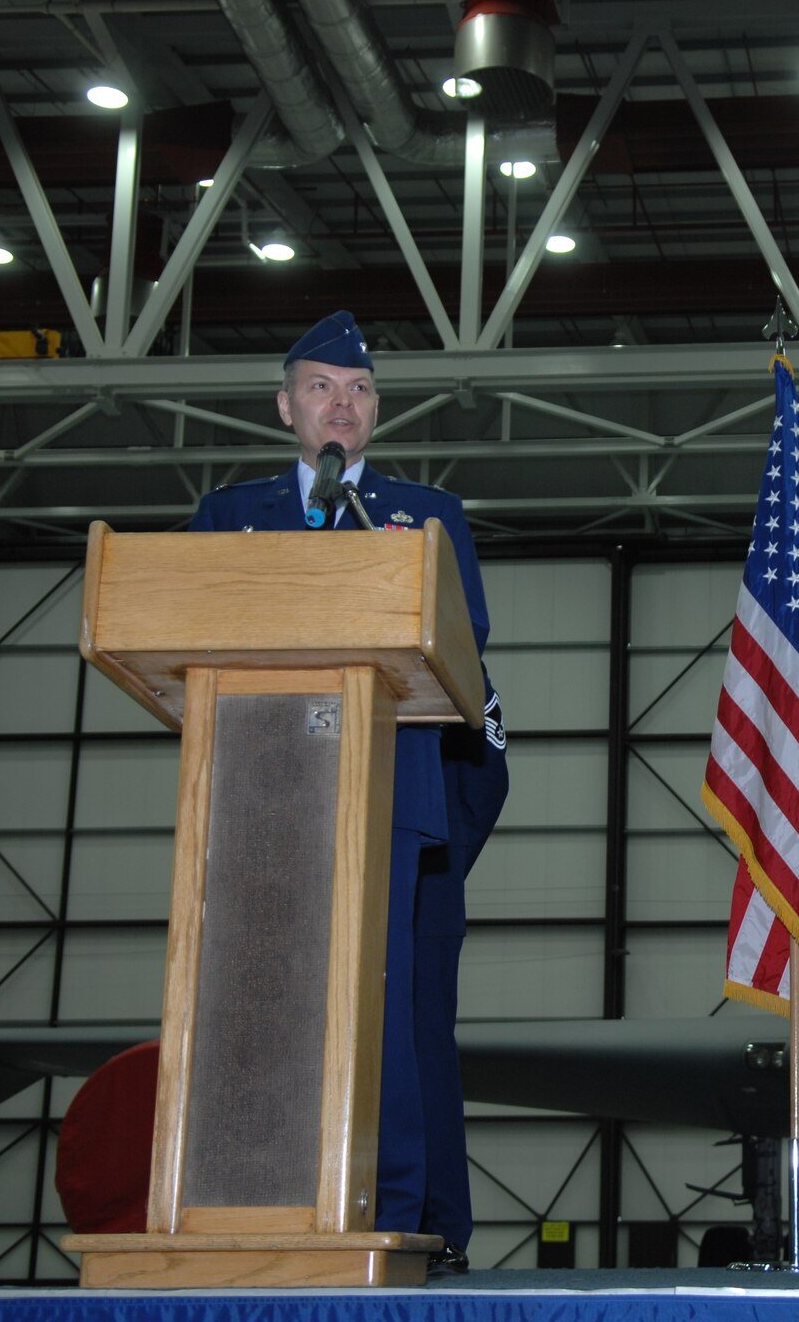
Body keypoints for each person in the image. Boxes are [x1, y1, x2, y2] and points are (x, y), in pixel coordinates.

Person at [187, 311, 507, 1272]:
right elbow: (186, 622)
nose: (343, 404)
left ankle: (394, 1211)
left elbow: (465, 638)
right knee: (254, 997)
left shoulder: (424, 516)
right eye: (322, 387)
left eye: (360, 390)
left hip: (387, 794)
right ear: (286, 406)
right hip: (256, 798)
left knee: (388, 1008)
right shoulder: (228, 517)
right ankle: (247, 1206)